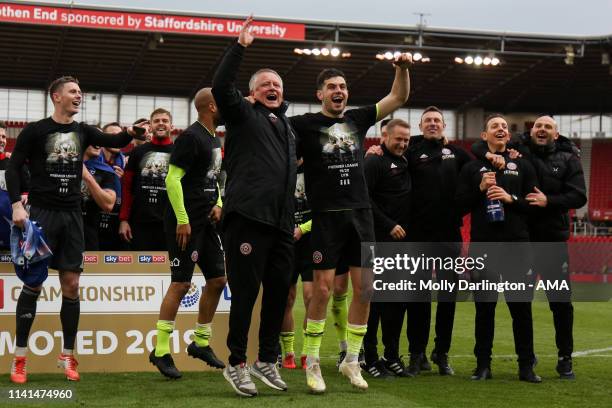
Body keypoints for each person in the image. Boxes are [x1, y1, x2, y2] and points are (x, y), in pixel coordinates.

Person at [6, 76, 145, 384]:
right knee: (33, 285)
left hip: (72, 217)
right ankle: (20, 358)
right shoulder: (35, 131)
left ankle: (67, 355)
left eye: (81, 92)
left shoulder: (83, 131)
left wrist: (133, 132)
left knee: (71, 285)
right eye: (73, 91)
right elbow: (14, 167)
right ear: (56, 96)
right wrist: (17, 204)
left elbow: (115, 141)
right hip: (41, 215)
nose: (79, 95)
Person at [291, 52, 411, 393]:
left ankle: (352, 361)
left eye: (342, 86)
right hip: (326, 220)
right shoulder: (304, 124)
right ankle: (312, 362)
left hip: (361, 217)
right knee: (323, 291)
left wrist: (401, 68)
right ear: (320, 94)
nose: (338, 91)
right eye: (331, 87)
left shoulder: (358, 119)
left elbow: (398, 97)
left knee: (366, 290)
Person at [212, 16, 296, 397]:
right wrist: (239, 46)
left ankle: (266, 358)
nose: (273, 88)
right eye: (265, 85)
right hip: (247, 217)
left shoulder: (287, 126)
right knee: (245, 294)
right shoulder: (243, 115)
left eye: (277, 84)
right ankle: (236, 363)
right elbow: (220, 85)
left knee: (280, 294)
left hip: (281, 224)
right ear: (252, 93)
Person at [473, 115, 587, 379]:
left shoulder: (569, 158)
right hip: (521, 240)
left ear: (556, 135)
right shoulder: (519, 149)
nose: (542, 130)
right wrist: (491, 157)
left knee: (560, 301)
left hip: (552, 241)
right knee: (520, 306)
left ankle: (565, 357)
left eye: (548, 127)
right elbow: (481, 146)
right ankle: (526, 358)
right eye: (538, 126)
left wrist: (550, 201)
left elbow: (579, 196)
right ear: (531, 130)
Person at [456, 114, 542, 383]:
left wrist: (511, 198)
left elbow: (534, 206)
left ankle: (526, 367)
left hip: (517, 246)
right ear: (484, 136)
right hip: (484, 246)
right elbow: (459, 206)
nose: (501, 129)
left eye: (504, 126)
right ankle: (483, 365)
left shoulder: (523, 165)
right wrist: (479, 189)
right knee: (484, 309)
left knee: (521, 309)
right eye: (495, 126)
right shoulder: (472, 169)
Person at [149, 88, 227, 378]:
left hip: (206, 221)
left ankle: (201, 342)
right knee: (180, 285)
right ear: (211, 106)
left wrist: (218, 202)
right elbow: (172, 179)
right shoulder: (191, 137)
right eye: (224, 104)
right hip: (186, 222)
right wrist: (182, 219)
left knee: (218, 279)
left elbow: (214, 177)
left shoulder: (213, 137)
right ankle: (160, 351)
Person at [362, 119, 411, 378]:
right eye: (398, 139)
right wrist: (388, 224)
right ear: (385, 137)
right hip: (376, 241)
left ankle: (391, 355)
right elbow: (364, 199)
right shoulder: (374, 161)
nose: (402, 144)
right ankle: (369, 358)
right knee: (375, 302)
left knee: (397, 302)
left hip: (401, 246)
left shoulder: (406, 161)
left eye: (406, 140)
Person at [119, 109, 173, 250]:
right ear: (150, 126)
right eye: (156, 121)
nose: (161, 124)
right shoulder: (138, 152)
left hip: (169, 223)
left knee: (168, 270)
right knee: (141, 270)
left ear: (171, 126)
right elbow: (127, 187)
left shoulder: (179, 152)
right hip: (140, 222)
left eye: (165, 121)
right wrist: (124, 219)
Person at [279, 161, 314, 370]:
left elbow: (323, 209)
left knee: (311, 297)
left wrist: (303, 228)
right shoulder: (282, 170)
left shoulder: (315, 171)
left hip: (310, 244)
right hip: (286, 242)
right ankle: (288, 351)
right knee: (287, 298)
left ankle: (307, 351)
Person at [97, 122, 126, 250]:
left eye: (120, 135)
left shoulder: (127, 163)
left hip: (117, 224)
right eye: (113, 135)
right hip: (93, 223)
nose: (117, 139)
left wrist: (124, 180)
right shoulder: (91, 161)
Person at [81, 145, 116, 250]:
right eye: (93, 140)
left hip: (90, 230)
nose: (98, 144)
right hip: (62, 226)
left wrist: (87, 177)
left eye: (100, 141)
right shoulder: (64, 165)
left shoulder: (106, 170)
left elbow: (108, 204)